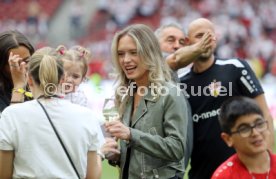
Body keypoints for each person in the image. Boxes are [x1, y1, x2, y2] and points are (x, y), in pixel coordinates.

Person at [179, 18, 274, 179]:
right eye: (199, 36)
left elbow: (264, 114)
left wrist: (269, 163)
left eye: (208, 36)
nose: (204, 41)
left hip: (242, 172)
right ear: (188, 42)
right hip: (201, 173)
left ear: (215, 39)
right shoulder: (181, 84)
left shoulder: (235, 68)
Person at [0, 51, 103, 178]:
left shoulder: (11, 115)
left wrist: (18, 87)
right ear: (62, 79)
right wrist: (100, 153)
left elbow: (3, 174)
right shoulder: (88, 116)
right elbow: (93, 176)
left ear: (30, 80)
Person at [104, 24, 188, 179]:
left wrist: (130, 134)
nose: (126, 60)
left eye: (134, 53)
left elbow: (177, 149)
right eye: (121, 54)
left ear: (149, 53)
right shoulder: (125, 95)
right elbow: (135, 154)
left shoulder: (170, 93)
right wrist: (115, 155)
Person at [212, 97, 276, 178]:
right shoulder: (225, 176)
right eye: (244, 129)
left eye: (259, 124)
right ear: (228, 139)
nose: (255, 133)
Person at [0, 30, 35, 113]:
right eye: (16, 63)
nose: (24, 66)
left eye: (27, 61)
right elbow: (10, 123)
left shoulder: (37, 82)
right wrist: (19, 87)